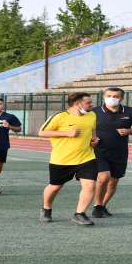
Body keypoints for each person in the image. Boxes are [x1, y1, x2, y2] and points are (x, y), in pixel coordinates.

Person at [38, 92, 99, 226]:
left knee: (90, 185)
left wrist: (94, 140)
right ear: (78, 103)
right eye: (88, 102)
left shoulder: (92, 115)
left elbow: (92, 131)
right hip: (62, 160)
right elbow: (42, 132)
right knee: (55, 187)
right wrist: (66, 133)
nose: (91, 105)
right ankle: (46, 208)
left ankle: (80, 214)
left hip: (86, 157)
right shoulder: (60, 116)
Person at [92, 87, 132, 218]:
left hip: (120, 152)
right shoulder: (94, 112)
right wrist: (91, 139)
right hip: (99, 151)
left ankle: (103, 206)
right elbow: (86, 128)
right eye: (109, 95)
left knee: (113, 181)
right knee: (104, 177)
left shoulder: (131, 112)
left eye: (115, 96)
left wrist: (129, 131)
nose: (111, 98)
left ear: (121, 98)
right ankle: (97, 207)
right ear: (104, 96)